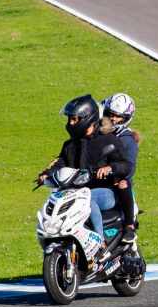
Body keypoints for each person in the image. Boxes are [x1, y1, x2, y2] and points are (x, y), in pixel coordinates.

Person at [37, 95, 134, 270]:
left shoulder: (108, 140)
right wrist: (46, 174)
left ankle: (100, 245)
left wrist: (110, 169)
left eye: (75, 119)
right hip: (76, 191)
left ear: (88, 118)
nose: (71, 123)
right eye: (70, 119)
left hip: (104, 193)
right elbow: (60, 163)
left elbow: (125, 165)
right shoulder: (70, 145)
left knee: (88, 200)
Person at [100, 92, 140, 245]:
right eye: (111, 114)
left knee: (123, 182)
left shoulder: (127, 139)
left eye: (118, 117)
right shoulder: (98, 132)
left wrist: (111, 169)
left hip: (117, 181)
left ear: (126, 119)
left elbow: (129, 167)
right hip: (97, 179)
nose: (113, 119)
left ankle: (129, 226)